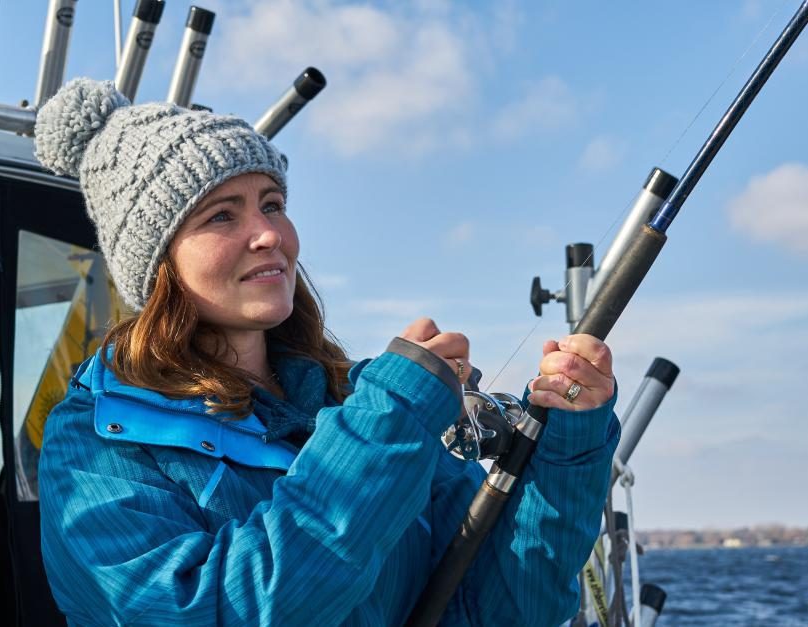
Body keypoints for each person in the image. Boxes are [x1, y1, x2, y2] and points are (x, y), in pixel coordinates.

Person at [33, 78, 620, 626]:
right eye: (221, 215)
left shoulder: (355, 407)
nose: (269, 234)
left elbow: (499, 610)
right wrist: (388, 420)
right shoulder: (94, 440)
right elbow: (214, 610)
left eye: (272, 203)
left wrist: (566, 445)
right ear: (157, 265)